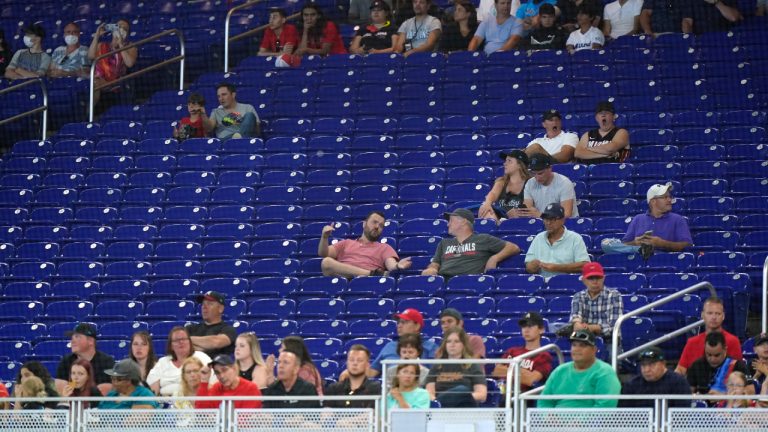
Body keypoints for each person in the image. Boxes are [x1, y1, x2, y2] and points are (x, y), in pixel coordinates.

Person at [601, 182, 693, 259]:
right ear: (653, 201)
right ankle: (641, 249)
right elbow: (625, 244)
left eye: (670, 197)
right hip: (637, 258)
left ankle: (645, 249)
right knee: (605, 244)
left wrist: (661, 243)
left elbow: (687, 246)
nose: (670, 200)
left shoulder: (677, 219)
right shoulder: (638, 219)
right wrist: (635, 243)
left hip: (664, 259)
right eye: (665, 197)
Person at [422, 208, 521, 278]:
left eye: (451, 221)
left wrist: (494, 258)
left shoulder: (483, 239)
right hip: (445, 282)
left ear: (464, 221)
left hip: (469, 282)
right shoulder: (444, 243)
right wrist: (432, 269)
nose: (448, 224)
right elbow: (435, 263)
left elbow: (514, 247)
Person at [538, 330, 621, 408]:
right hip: (554, 422)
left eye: (582, 345)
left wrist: (581, 422)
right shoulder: (559, 371)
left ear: (594, 350)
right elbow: (544, 402)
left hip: (589, 423)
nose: (576, 349)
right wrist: (547, 417)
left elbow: (605, 407)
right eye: (574, 345)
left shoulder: (605, 372)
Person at [319, 211, 411, 278]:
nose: (377, 227)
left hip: (366, 283)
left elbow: (391, 265)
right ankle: (370, 274)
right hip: (342, 279)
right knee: (326, 262)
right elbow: (323, 253)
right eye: (374, 222)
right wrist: (324, 238)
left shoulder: (384, 248)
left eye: (381, 225)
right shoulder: (346, 243)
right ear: (364, 224)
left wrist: (397, 266)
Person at [492, 312, 553, 401]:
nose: (526, 330)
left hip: (525, 398)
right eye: (524, 326)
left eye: (530, 326)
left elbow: (531, 380)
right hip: (505, 392)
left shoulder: (543, 356)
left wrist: (508, 370)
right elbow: (496, 372)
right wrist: (523, 373)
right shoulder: (512, 351)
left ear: (541, 330)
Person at [675, 297, 743, 376]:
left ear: (723, 316)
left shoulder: (733, 341)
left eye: (718, 313)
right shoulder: (692, 342)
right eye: (710, 313)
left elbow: (738, 373)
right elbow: (680, 369)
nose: (714, 317)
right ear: (702, 315)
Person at [525, 203, 589, 279]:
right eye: (546, 219)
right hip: (541, 285)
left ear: (562, 220)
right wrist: (532, 266)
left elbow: (585, 265)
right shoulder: (538, 238)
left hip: (566, 283)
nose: (548, 223)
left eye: (553, 219)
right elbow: (528, 266)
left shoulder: (575, 238)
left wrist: (557, 267)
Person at [426, 328, 487, 407]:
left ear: (463, 344)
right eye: (449, 341)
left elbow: (482, 395)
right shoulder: (437, 366)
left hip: (465, 406)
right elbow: (430, 393)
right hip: (440, 408)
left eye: (457, 341)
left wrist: (461, 396)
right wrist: (437, 401)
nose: (452, 344)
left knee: (461, 390)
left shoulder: (472, 365)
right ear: (445, 345)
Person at [370, 308, 439, 377]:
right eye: (399, 322)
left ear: (417, 326)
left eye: (404, 322)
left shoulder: (431, 347)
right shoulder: (389, 346)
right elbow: (372, 373)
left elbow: (436, 375)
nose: (399, 326)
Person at [147, 326, 213, 396]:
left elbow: (212, 383)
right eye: (176, 340)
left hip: (195, 400)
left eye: (184, 339)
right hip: (166, 403)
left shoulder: (202, 357)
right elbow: (152, 390)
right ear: (171, 346)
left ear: (190, 342)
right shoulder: (163, 362)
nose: (181, 342)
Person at [687, 331, 750, 405]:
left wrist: (724, 397)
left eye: (717, 355)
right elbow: (687, 393)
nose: (712, 359)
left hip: (730, 411)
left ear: (725, 349)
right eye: (709, 355)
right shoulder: (697, 365)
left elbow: (751, 393)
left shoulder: (738, 366)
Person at [86, 20, 138, 108]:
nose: (121, 30)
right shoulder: (101, 45)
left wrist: (121, 45)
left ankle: (88, 116)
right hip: (98, 79)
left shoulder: (130, 47)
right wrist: (97, 35)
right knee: (92, 82)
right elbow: (90, 56)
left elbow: (129, 64)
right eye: (118, 27)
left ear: (127, 34)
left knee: (94, 84)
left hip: (115, 82)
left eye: (124, 29)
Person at [619, 347, 691, 408]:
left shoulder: (678, 383)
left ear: (663, 364)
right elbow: (623, 415)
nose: (646, 370)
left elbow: (682, 415)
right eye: (643, 365)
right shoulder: (632, 385)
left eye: (651, 365)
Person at [568, 262, 623, 340]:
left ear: (603, 278)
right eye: (590, 278)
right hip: (585, 340)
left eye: (598, 277)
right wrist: (577, 324)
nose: (595, 281)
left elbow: (614, 326)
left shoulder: (614, 295)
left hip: (609, 341)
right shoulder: (578, 296)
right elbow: (576, 317)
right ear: (584, 280)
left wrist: (592, 328)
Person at [56, 323, 115, 395]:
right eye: (72, 338)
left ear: (91, 341)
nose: (72, 341)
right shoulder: (66, 361)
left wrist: (74, 388)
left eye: (77, 337)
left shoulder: (106, 362)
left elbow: (105, 390)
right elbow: (61, 389)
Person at [478, 150, 532, 222]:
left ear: (520, 165)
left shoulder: (529, 183)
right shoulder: (501, 182)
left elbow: (527, 207)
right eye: (505, 161)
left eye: (509, 161)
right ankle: (496, 229)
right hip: (499, 218)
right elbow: (493, 194)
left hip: (519, 219)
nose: (504, 164)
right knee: (485, 209)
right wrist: (487, 203)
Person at [522, 153, 579, 218]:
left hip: (566, 225)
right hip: (543, 224)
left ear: (550, 168)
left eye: (540, 173)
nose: (537, 178)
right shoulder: (530, 183)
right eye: (533, 173)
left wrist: (541, 215)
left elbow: (566, 215)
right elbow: (527, 210)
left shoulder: (564, 183)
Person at [195, 354, 262, 409]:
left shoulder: (250, 388)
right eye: (217, 372)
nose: (222, 376)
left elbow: (247, 421)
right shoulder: (216, 388)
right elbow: (202, 414)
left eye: (224, 370)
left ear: (234, 368)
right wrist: (204, 381)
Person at [187, 290, 237, 358]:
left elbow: (216, 342)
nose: (204, 307)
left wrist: (187, 339)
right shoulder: (190, 328)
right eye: (203, 304)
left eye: (210, 304)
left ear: (220, 309)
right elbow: (180, 347)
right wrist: (207, 346)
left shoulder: (228, 330)